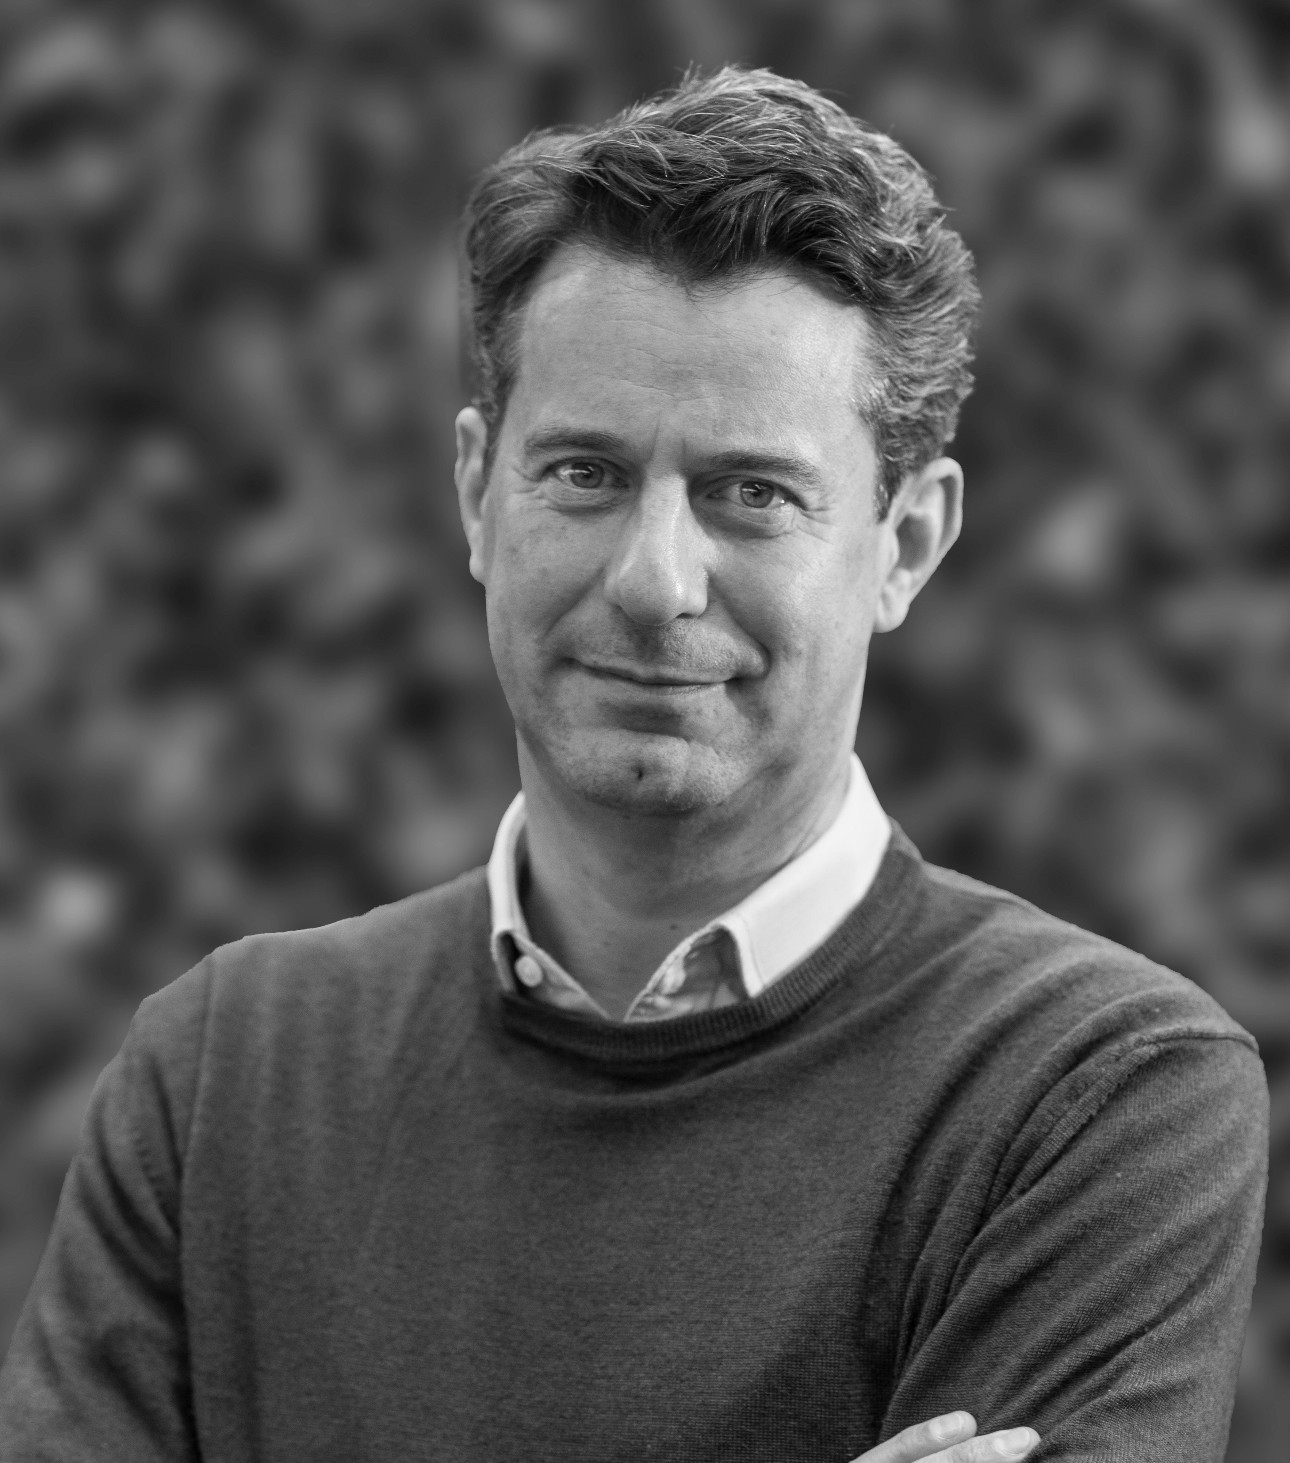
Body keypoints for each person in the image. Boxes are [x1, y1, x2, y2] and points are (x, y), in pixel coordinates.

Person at [0, 66, 1267, 1463]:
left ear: (905, 544)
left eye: (752, 494)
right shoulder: (220, 1076)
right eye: (585, 475)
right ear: (477, 493)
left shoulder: (1095, 1095)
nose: (655, 582)